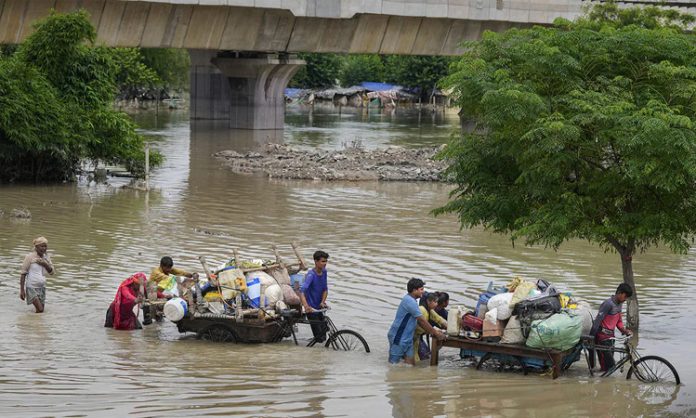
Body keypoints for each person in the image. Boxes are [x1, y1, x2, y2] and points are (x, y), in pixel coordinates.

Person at [388, 278, 446, 365]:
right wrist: (435, 333)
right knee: (393, 366)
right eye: (421, 289)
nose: (423, 291)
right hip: (399, 337)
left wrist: (434, 331)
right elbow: (422, 321)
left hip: (408, 339)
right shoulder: (409, 301)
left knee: (410, 366)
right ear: (414, 290)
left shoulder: (413, 301)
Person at [590, 283, 633, 372]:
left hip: (611, 337)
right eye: (625, 297)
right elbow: (598, 320)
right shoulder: (608, 304)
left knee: (609, 366)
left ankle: (602, 378)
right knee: (608, 365)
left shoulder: (619, 304)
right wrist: (591, 336)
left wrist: (624, 331)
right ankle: (601, 382)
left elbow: (619, 321)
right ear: (620, 293)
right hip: (602, 337)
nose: (625, 299)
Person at [300, 250, 330, 342]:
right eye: (322, 261)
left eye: (326, 261)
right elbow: (301, 292)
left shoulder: (324, 272)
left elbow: (325, 289)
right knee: (319, 338)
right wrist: (306, 306)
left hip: (319, 307)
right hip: (311, 309)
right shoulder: (311, 275)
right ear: (316, 262)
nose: (324, 263)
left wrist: (322, 302)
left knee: (324, 335)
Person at [19, 236, 54, 313]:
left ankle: (34, 323)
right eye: (42, 246)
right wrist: (22, 290)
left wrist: (45, 264)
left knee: (40, 311)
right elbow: (23, 273)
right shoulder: (29, 257)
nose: (44, 248)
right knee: (40, 310)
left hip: (42, 288)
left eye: (45, 246)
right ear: (36, 247)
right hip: (31, 287)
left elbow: (51, 272)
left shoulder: (46, 257)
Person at [415, 293, 448, 361]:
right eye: (435, 302)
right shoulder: (422, 310)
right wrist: (435, 331)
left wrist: (450, 328)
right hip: (410, 337)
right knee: (418, 359)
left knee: (426, 356)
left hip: (417, 337)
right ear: (428, 301)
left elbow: (439, 319)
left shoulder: (430, 310)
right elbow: (423, 326)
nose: (436, 304)